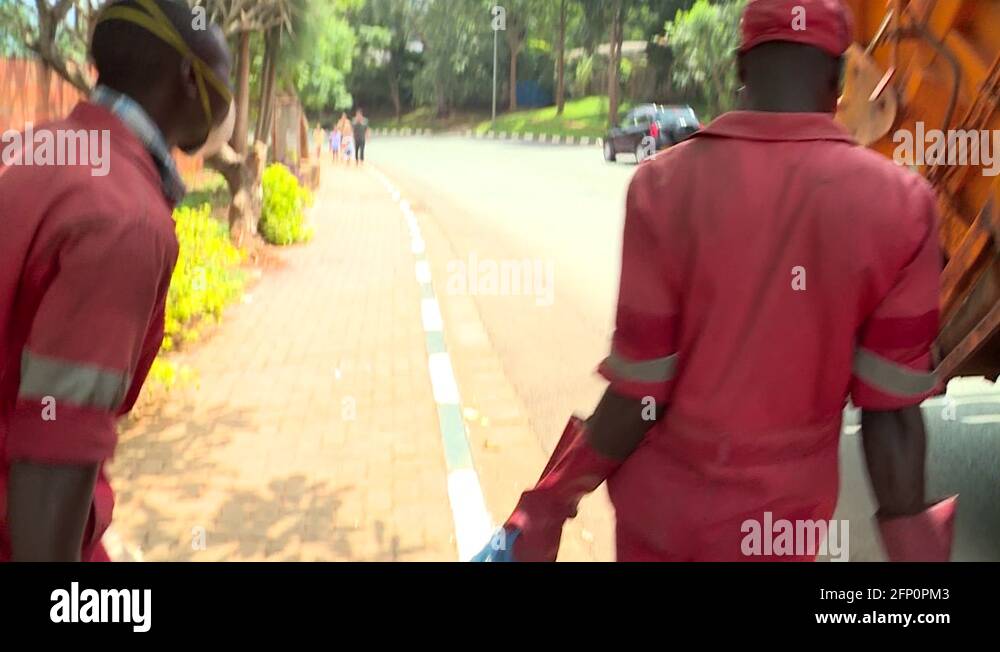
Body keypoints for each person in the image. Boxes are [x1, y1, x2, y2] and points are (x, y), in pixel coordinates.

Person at [475, 0, 956, 562]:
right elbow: (892, 414)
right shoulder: (903, 207)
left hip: (661, 526)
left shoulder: (661, 187)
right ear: (838, 79)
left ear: (739, 68)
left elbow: (639, 396)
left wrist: (546, 506)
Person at [0, 0, 232, 561]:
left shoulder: (36, 148)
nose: (230, 101)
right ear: (188, 78)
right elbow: (49, 467)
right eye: (226, 80)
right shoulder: (125, 219)